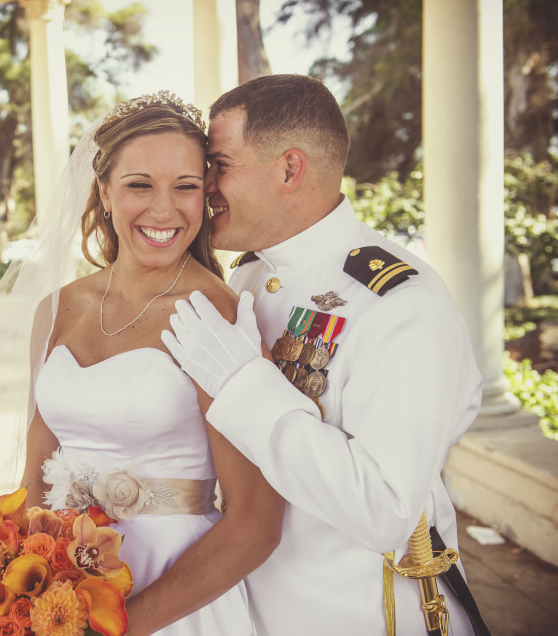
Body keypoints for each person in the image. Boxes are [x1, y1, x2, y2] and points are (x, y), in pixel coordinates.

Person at [161, 74, 488, 635]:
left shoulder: (399, 303)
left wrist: (244, 386)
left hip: (353, 614)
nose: (204, 184)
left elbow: (385, 508)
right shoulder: (247, 278)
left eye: (220, 164)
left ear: (290, 169)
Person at [17, 91, 284, 636]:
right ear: (104, 192)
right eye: (140, 185)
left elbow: (256, 524)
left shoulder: (217, 316)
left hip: (176, 600)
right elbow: (33, 481)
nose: (164, 210)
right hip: (65, 594)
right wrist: (19, 599)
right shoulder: (58, 310)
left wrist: (117, 628)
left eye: (185, 187)